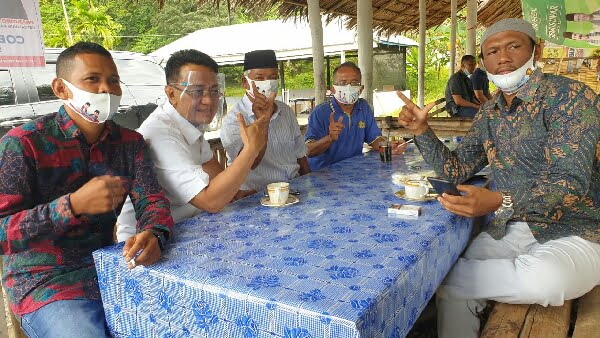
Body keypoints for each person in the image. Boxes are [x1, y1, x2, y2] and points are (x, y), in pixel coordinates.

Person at [397, 18, 599, 338]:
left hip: (575, 229)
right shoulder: (489, 113)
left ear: (537, 50)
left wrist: (502, 199)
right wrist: (422, 131)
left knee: (545, 279)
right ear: (483, 62)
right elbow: (456, 170)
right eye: (492, 51)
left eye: (513, 46)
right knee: (448, 284)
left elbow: (569, 182)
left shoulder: (570, 96)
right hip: (507, 228)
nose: (502, 57)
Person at [0, 42, 174, 337]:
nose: (106, 89)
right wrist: (71, 206)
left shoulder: (129, 143)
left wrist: (155, 233)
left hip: (111, 264)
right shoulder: (25, 143)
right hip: (44, 281)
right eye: (92, 79)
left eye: (114, 80)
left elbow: (152, 200)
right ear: (61, 88)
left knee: (180, 319)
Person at [116, 49, 269, 242]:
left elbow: (216, 175)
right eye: (197, 91)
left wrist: (236, 194)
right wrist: (250, 149)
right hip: (147, 244)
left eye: (214, 91)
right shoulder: (161, 134)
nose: (208, 100)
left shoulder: (188, 123)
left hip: (190, 228)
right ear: (171, 93)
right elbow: (211, 201)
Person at [220, 50, 310, 192]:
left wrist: (309, 183)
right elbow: (250, 164)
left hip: (294, 187)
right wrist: (264, 121)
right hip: (258, 195)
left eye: (272, 77)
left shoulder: (285, 111)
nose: (267, 83)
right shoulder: (234, 120)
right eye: (260, 78)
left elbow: (300, 155)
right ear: (245, 82)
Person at [304, 61, 406, 171]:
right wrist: (329, 138)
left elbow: (374, 139)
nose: (348, 87)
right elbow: (308, 151)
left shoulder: (363, 107)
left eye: (354, 83)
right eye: (342, 83)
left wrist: (389, 146)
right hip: (324, 174)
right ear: (332, 89)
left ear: (361, 89)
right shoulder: (320, 113)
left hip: (354, 170)